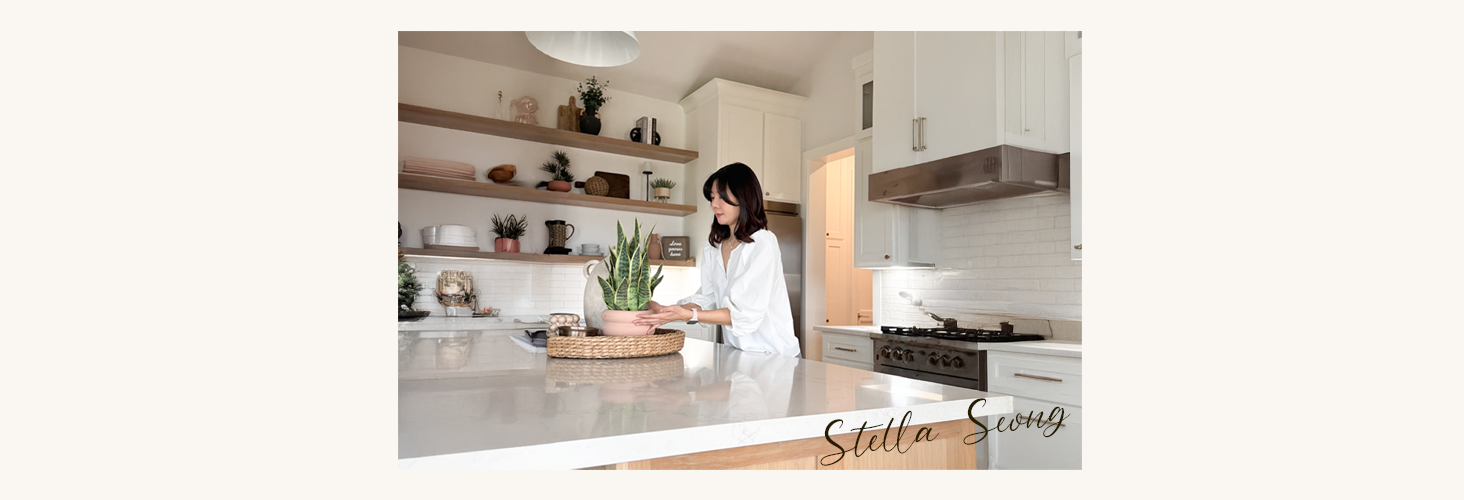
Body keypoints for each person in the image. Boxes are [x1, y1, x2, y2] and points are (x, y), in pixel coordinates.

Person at [635, 163, 801, 357]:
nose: (714, 204)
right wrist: (668, 311)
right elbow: (710, 299)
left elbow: (744, 314)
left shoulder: (762, 242)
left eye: (722, 197)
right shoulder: (714, 246)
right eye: (713, 197)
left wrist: (688, 315)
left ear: (744, 196)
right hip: (740, 353)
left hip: (776, 356)